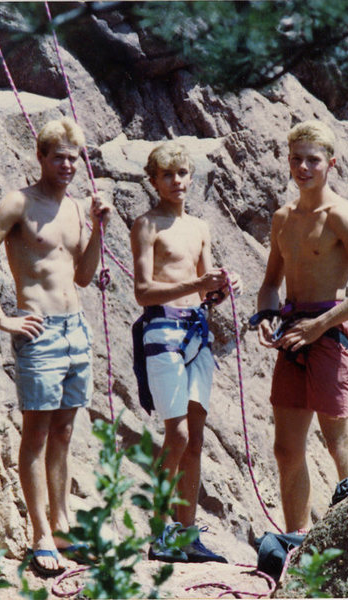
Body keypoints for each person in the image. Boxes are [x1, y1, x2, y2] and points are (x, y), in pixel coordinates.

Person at [0, 118, 112, 577]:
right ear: (41, 156)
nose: (67, 165)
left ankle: (63, 525)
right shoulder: (19, 202)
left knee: (65, 433)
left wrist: (99, 228)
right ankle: (40, 536)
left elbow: (84, 275)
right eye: (59, 156)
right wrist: (3, 317)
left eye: (74, 157)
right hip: (39, 330)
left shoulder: (74, 209)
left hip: (76, 329)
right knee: (37, 434)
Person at [254, 120, 348, 533]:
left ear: (330, 163)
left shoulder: (340, 214)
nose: (303, 167)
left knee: (340, 442)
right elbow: (268, 284)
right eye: (296, 159)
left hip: (329, 332)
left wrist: (322, 324)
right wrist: (265, 317)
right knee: (285, 449)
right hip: (293, 334)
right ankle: (295, 542)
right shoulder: (283, 218)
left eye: (312, 160)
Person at [130, 141, 242, 563]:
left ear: (191, 178)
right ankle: (159, 531)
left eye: (182, 174)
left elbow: (205, 288)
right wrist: (198, 287)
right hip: (161, 329)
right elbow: (142, 291)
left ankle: (187, 535)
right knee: (174, 434)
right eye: (167, 175)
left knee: (194, 438)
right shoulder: (146, 224)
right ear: (154, 180)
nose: (176, 181)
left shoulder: (199, 228)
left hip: (197, 332)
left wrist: (222, 286)